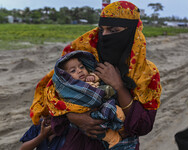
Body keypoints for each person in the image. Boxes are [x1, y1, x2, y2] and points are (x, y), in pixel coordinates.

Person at [29, 1, 162, 150]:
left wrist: (119, 86)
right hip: (77, 142)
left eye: (113, 30)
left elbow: (143, 127)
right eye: (101, 29)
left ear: (132, 32)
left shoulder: (146, 73)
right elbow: (53, 93)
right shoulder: (85, 57)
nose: (104, 35)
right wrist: (74, 117)